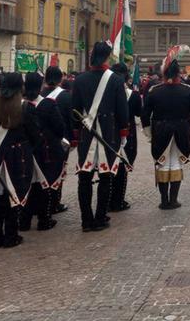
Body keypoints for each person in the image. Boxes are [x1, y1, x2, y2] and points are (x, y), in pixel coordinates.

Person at [71, 41, 129, 232]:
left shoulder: (80, 79)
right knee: (105, 176)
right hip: (109, 132)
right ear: (107, 56)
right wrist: (123, 132)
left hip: (87, 134)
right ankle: (100, 216)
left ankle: (86, 220)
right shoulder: (116, 80)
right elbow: (122, 111)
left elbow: (74, 110)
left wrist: (76, 133)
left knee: (85, 178)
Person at [0, 73, 37, 248]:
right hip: (17, 157)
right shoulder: (26, 108)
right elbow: (34, 135)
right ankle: (11, 235)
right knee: (13, 196)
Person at [141, 55, 190, 210]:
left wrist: (148, 133)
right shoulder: (187, 90)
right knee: (175, 162)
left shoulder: (154, 91)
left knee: (162, 164)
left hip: (160, 131)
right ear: (178, 73)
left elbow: (144, 115)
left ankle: (164, 200)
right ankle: (173, 200)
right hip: (181, 130)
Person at [19, 72, 67, 232]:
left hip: (24, 150)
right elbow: (60, 128)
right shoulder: (48, 104)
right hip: (45, 150)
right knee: (44, 185)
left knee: (27, 185)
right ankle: (44, 219)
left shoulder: (19, 105)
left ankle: (24, 221)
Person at [110, 62, 140, 212]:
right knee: (122, 168)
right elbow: (140, 113)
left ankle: (108, 199)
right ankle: (118, 200)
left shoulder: (104, 94)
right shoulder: (132, 96)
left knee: (109, 167)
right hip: (127, 134)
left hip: (108, 133)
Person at [41, 66, 72, 214]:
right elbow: (71, 120)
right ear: (60, 79)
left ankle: (40, 204)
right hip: (60, 140)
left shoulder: (38, 93)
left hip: (39, 140)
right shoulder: (65, 96)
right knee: (58, 172)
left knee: (40, 172)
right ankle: (54, 203)